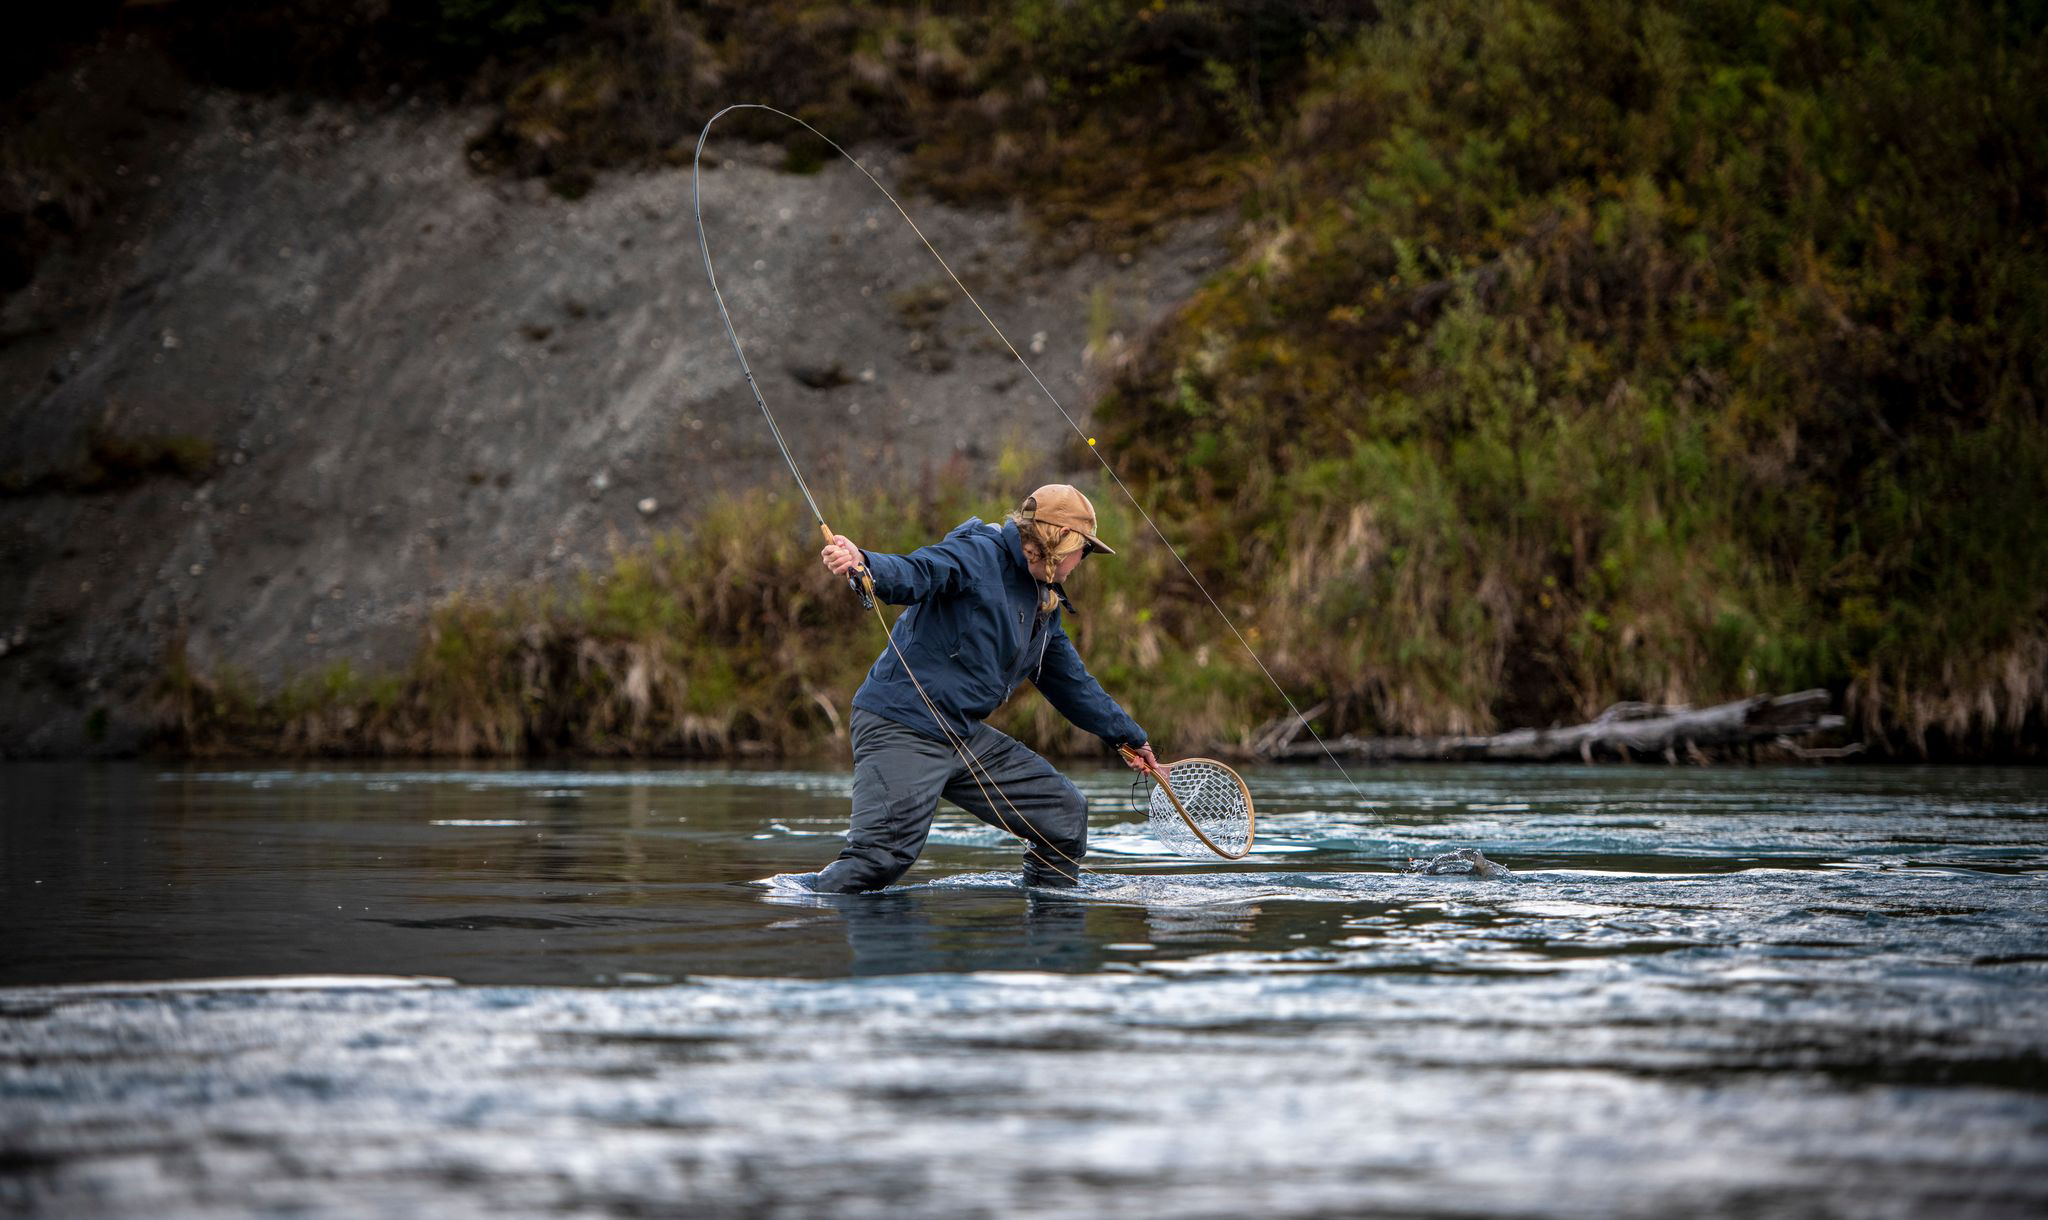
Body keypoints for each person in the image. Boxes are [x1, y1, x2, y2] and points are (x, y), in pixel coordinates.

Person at [805, 483, 1160, 892]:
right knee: (878, 861)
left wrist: (1128, 737)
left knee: (1063, 816)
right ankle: (790, 904)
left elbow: (1072, 684)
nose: (1084, 560)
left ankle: (1048, 938)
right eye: (1086, 550)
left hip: (959, 734)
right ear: (1061, 544)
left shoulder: (1045, 604)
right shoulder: (977, 552)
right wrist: (863, 561)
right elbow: (917, 572)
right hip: (901, 724)